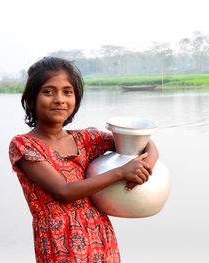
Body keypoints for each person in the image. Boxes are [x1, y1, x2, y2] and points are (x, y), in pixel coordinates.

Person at [8, 57, 159, 262]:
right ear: (30, 100)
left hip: (100, 237)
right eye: (48, 92)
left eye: (67, 92)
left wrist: (146, 166)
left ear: (76, 99)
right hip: (60, 245)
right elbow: (64, 192)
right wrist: (121, 172)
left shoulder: (86, 139)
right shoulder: (25, 145)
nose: (59, 99)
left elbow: (142, 142)